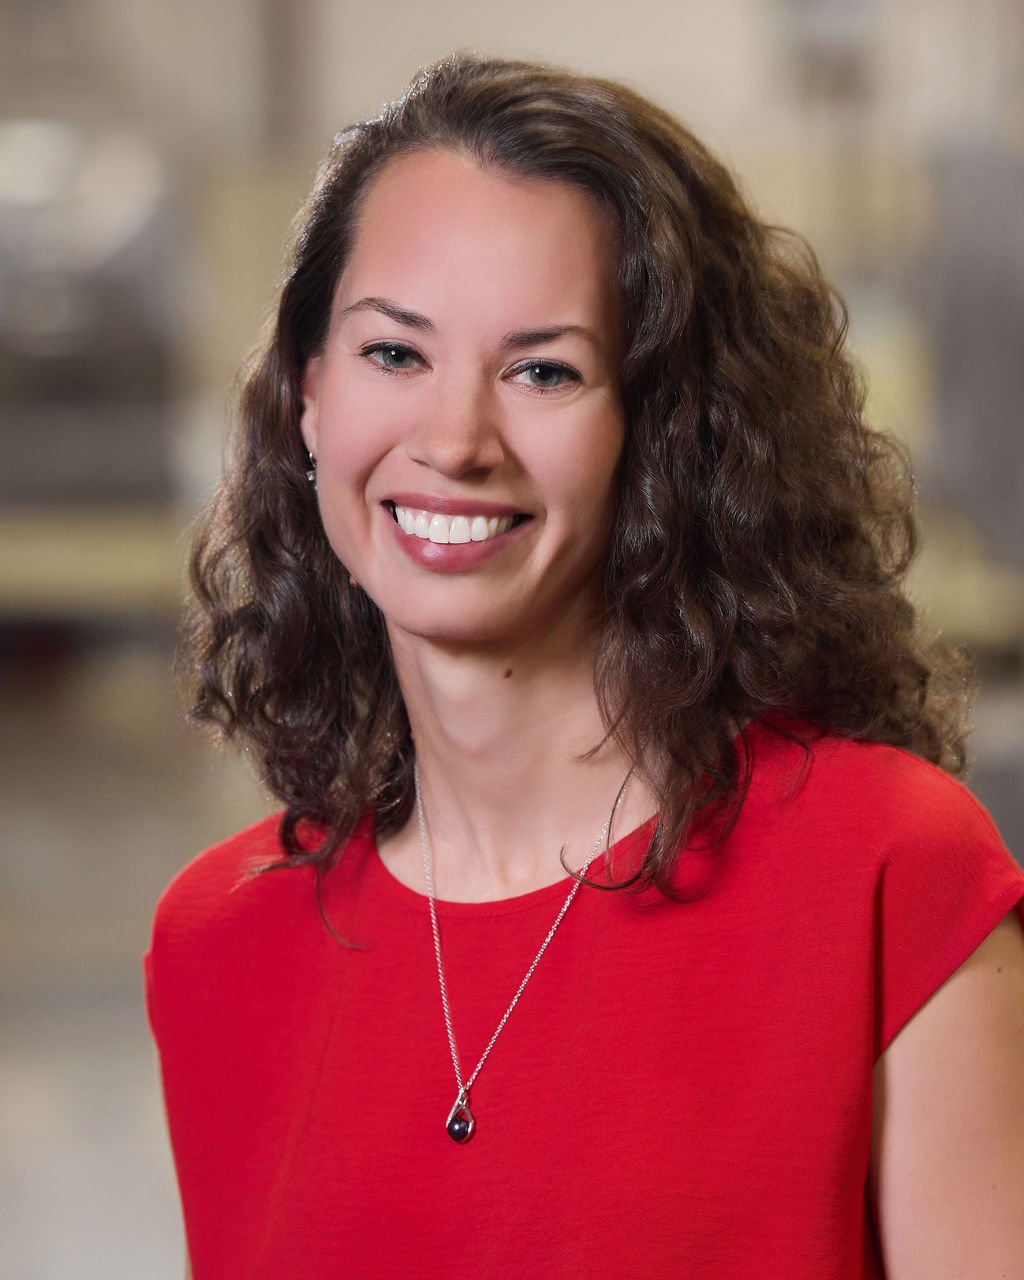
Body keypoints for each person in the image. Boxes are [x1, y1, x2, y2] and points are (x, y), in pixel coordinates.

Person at [146, 53, 1024, 1279]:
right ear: (307, 396)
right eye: (394, 353)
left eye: (542, 370)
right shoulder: (217, 942)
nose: (454, 440)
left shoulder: (888, 874)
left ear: (660, 430)